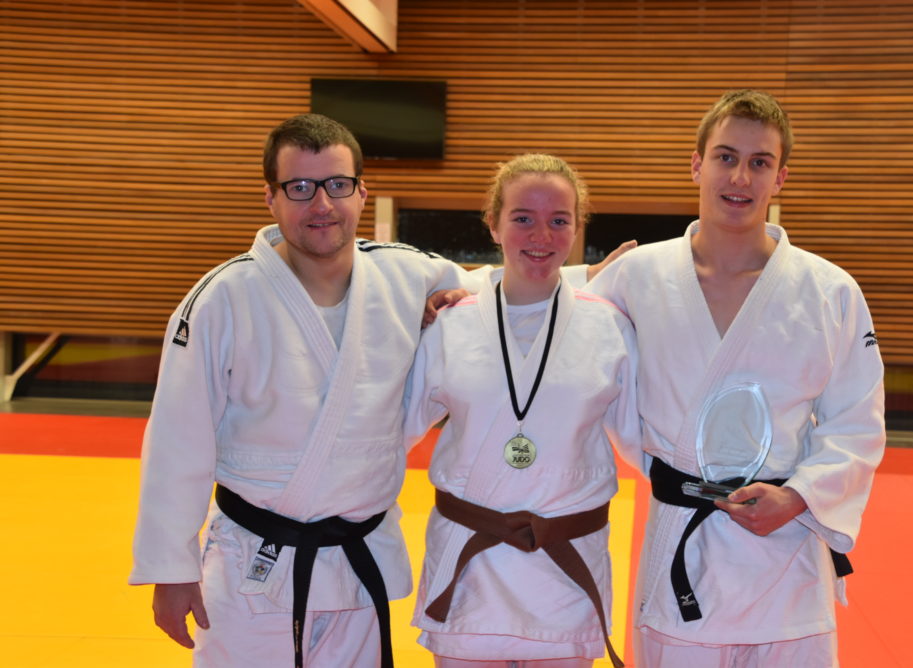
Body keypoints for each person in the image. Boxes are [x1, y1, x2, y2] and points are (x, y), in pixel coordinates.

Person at [129, 114, 631, 668]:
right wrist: (170, 567)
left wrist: (586, 279)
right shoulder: (222, 298)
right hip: (255, 561)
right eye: (300, 187)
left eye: (337, 184)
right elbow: (177, 438)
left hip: (356, 563)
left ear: (362, 192)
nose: (322, 203)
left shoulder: (405, 274)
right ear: (270, 197)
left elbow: (508, 287)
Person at [585, 89, 886, 667]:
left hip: (786, 555)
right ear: (696, 164)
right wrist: (457, 297)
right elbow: (551, 329)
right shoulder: (636, 277)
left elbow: (857, 423)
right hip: (682, 542)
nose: (740, 177)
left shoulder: (831, 290)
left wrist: (797, 497)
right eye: (725, 157)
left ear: (781, 178)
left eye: (759, 162)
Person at [403, 153, 644, 668]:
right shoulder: (450, 324)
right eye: (522, 218)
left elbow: (647, 442)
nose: (541, 235)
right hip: (470, 565)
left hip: (564, 570)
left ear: (577, 227)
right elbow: (390, 432)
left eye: (559, 220)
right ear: (493, 224)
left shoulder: (609, 327)